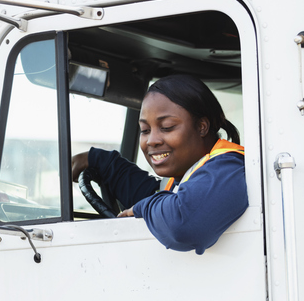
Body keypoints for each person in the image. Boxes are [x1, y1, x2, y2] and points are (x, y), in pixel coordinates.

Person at [72, 74, 248, 255]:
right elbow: (152, 194)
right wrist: (103, 162)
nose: (152, 141)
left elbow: (183, 224)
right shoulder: (188, 176)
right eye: (145, 130)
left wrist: (143, 207)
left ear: (202, 126)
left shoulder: (229, 168)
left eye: (167, 127)